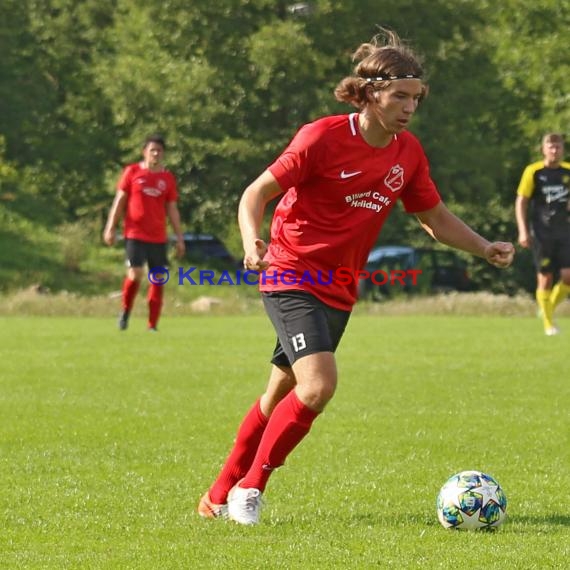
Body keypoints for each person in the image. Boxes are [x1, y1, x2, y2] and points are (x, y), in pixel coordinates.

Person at [198, 28, 515, 525]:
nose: (410, 107)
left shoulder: (407, 153)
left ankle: (216, 493)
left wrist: (484, 247)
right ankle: (249, 491)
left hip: (340, 289)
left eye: (417, 98)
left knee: (279, 394)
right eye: (400, 96)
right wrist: (250, 241)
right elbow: (254, 194)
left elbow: (435, 219)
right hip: (290, 273)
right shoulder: (321, 137)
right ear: (371, 93)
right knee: (318, 386)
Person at [103, 134, 185, 331]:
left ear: (163, 154)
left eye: (159, 150)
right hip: (134, 234)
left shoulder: (167, 178)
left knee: (157, 277)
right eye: (152, 150)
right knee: (136, 273)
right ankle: (125, 312)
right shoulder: (132, 172)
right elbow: (120, 201)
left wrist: (179, 237)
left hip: (158, 236)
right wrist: (110, 227)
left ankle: (152, 325)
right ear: (144, 152)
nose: (155, 153)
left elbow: (172, 209)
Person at [515, 133, 570, 336]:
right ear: (543, 149)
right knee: (545, 278)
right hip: (541, 232)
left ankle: (548, 309)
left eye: (558, 147)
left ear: (563, 150)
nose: (554, 151)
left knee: (568, 277)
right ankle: (548, 323)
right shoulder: (534, 172)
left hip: (565, 231)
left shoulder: (568, 172)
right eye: (551, 147)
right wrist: (522, 230)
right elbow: (521, 201)